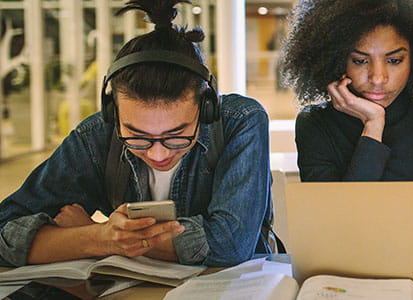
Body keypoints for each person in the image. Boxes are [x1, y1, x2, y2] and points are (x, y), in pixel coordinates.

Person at [0, 0, 272, 267]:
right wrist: (99, 237)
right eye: (137, 136)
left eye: (177, 135)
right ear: (112, 112)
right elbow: (5, 228)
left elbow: (231, 245)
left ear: (207, 108)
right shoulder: (96, 135)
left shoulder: (239, 121)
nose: (158, 153)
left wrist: (93, 235)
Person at [281, 0, 413, 252]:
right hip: (349, 276)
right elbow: (336, 228)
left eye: (394, 60)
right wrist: (373, 125)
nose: (378, 78)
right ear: (335, 59)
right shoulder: (316, 124)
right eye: (360, 61)